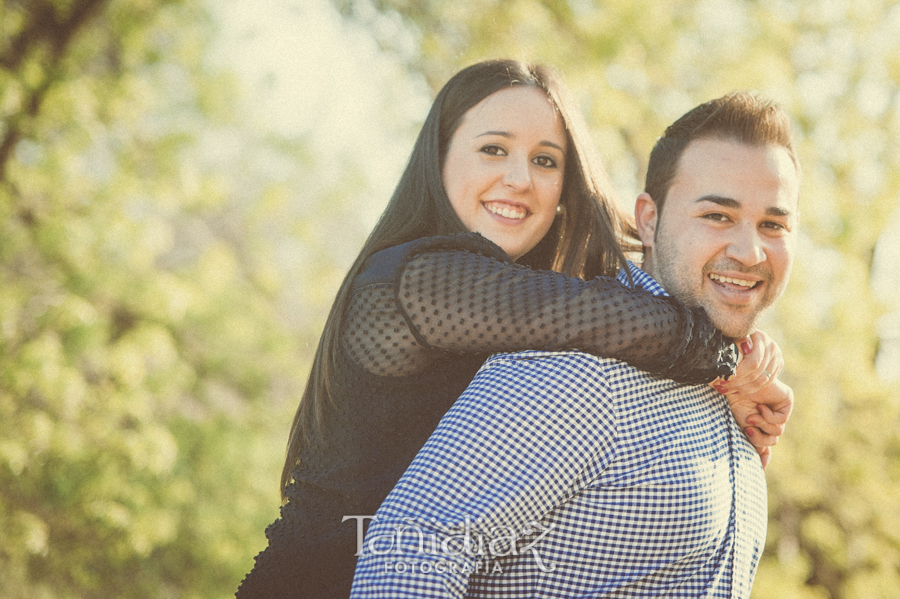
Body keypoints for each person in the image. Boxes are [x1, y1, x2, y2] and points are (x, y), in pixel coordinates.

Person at [236, 61, 784, 598]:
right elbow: (620, 319)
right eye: (493, 149)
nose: (520, 179)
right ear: (439, 156)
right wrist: (734, 362)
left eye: (546, 161)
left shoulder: (535, 304)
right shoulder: (412, 280)